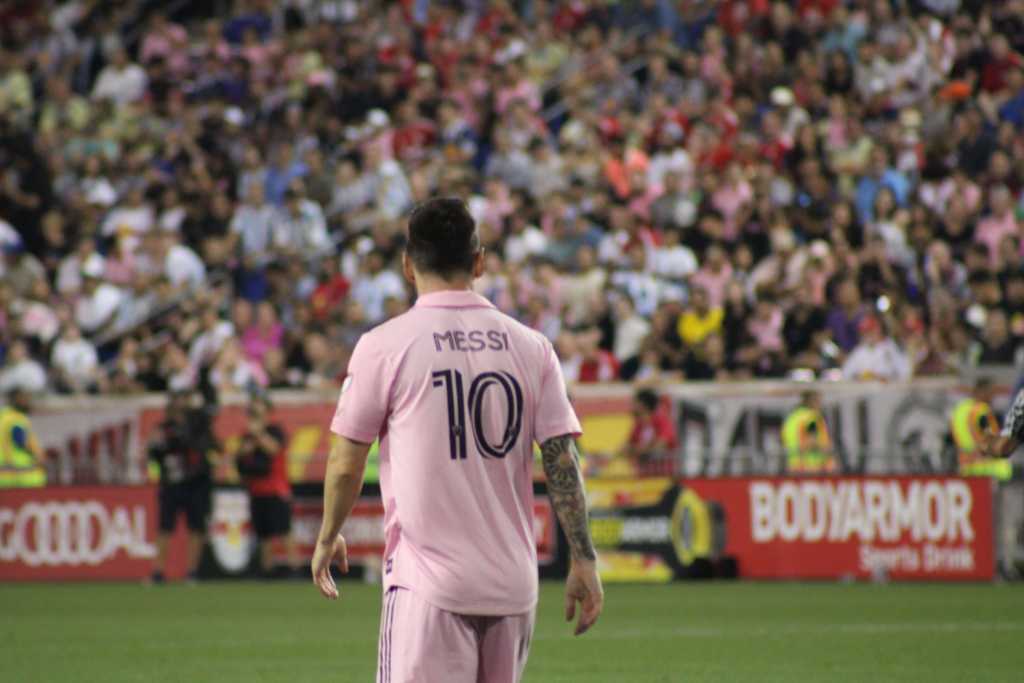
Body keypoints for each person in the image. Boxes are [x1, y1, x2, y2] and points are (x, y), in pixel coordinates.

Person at [312, 197, 603, 683]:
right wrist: (584, 559)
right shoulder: (532, 347)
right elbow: (561, 460)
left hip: (429, 585)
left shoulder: (385, 345)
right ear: (480, 262)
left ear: (408, 265)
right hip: (513, 586)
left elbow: (345, 462)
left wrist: (326, 537)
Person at [147, 389, 218, 583]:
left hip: (195, 483)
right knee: (165, 528)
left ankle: (192, 571)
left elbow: (206, 447)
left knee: (196, 528)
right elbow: (154, 454)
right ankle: (158, 571)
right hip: (171, 483)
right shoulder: (163, 429)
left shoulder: (197, 426)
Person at [233, 393, 297, 578]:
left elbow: (274, 448)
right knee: (264, 534)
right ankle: (267, 569)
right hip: (256, 489)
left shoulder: (275, 430)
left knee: (285, 530)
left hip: (276, 488)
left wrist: (258, 434)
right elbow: (241, 455)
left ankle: (294, 568)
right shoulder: (247, 435)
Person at [950, 380, 1011, 480]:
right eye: (990, 393)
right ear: (982, 392)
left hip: (968, 469)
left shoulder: (960, 410)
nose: (992, 398)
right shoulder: (981, 410)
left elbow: (955, 437)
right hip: (990, 471)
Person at [620, 388, 679, 475]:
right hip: (644, 475)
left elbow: (661, 445)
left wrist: (637, 450)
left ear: (642, 405)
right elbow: (626, 447)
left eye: (634, 403)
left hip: (663, 476)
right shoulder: (639, 425)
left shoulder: (662, 421)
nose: (631, 406)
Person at [0, 387, 46, 487]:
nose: (28, 401)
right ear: (17, 399)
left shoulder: (3, 416)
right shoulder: (16, 418)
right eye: (26, 398)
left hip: (4, 475)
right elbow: (20, 441)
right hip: (21, 474)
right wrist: (36, 456)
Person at [782, 390, 837, 474]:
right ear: (811, 401)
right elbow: (812, 441)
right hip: (811, 467)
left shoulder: (793, 417)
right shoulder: (811, 417)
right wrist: (828, 454)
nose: (820, 404)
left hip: (795, 465)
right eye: (818, 400)